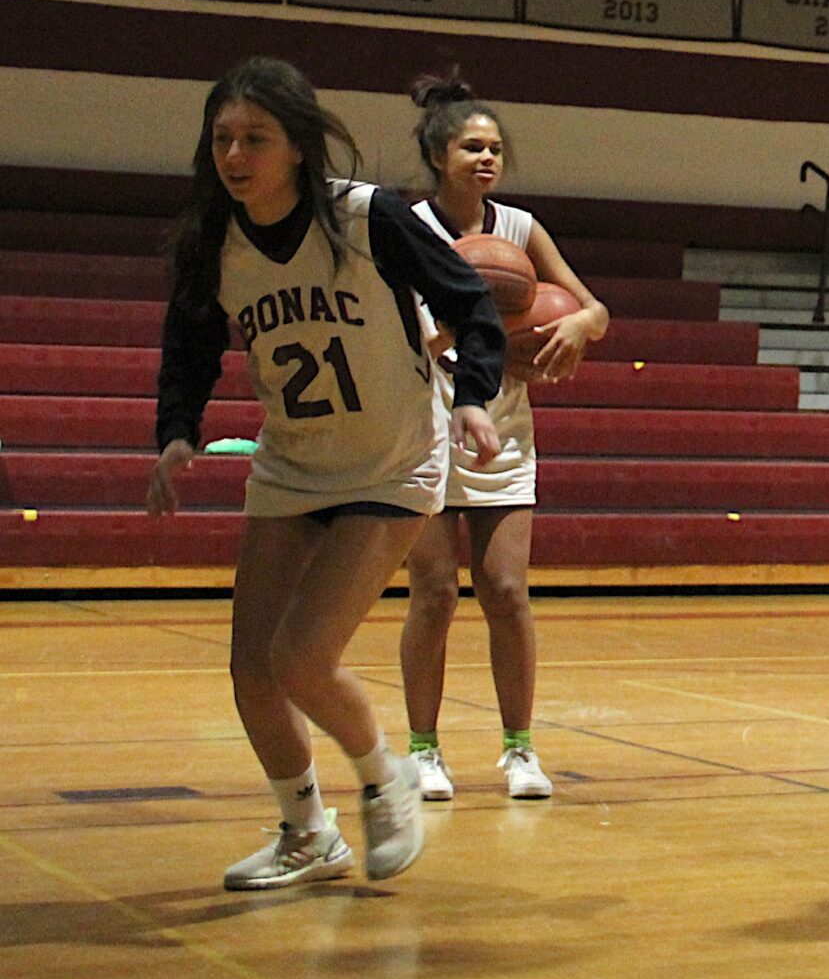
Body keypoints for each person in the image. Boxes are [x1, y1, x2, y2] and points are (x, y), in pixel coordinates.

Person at [150, 57, 505, 889]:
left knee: (303, 657)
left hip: (392, 461)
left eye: (256, 139)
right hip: (295, 464)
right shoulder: (216, 244)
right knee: (251, 669)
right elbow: (188, 348)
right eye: (223, 139)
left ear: (299, 146)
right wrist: (176, 435)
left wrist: (475, 398)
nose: (235, 156)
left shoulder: (368, 217)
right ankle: (308, 832)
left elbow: (472, 303)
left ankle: (388, 778)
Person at [400, 75, 609, 802]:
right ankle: (423, 751)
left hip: (505, 422)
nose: (486, 158)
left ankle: (520, 749)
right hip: (423, 422)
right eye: (471, 147)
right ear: (438, 152)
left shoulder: (520, 230)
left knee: (507, 590)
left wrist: (578, 324)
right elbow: (404, 339)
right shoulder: (403, 227)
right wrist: (469, 325)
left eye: (494, 149)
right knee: (432, 592)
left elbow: (597, 311)